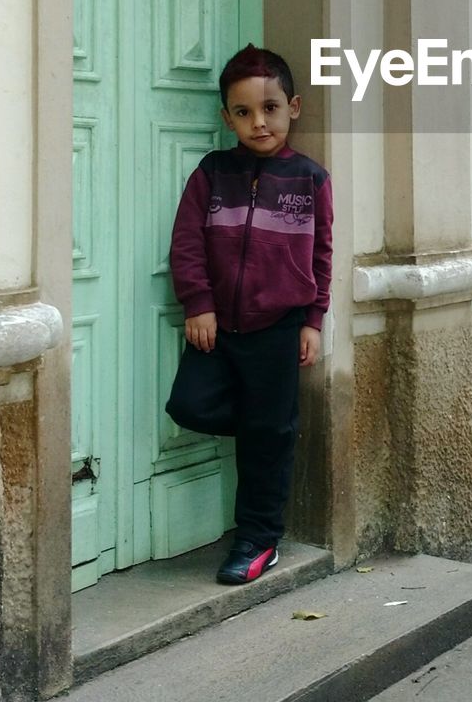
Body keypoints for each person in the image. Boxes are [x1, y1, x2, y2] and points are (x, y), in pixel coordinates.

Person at [166, 43, 333, 584]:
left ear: (294, 108)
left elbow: (321, 254)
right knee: (191, 405)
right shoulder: (213, 172)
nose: (258, 123)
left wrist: (313, 319)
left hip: (278, 328)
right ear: (226, 117)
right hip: (216, 327)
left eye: (270, 109)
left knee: (269, 434)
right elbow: (187, 241)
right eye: (243, 112)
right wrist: (199, 303)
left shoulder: (311, 179)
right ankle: (269, 427)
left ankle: (259, 538)